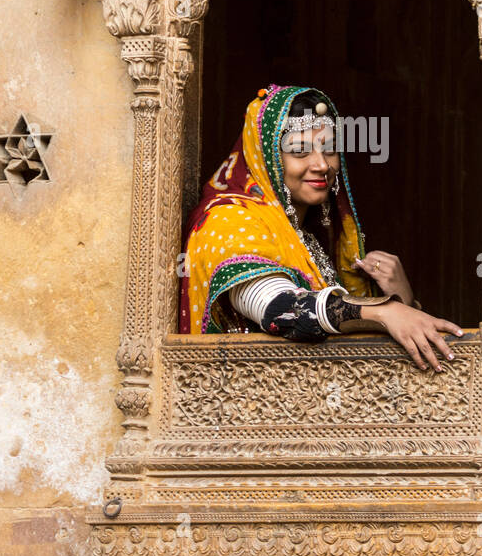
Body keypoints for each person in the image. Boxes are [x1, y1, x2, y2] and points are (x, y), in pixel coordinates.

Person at [178, 84, 464, 372]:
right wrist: (384, 309)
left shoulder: (305, 240)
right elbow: (283, 311)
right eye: (300, 151)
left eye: (329, 149)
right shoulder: (229, 220)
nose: (321, 165)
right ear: (266, 159)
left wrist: (404, 299)